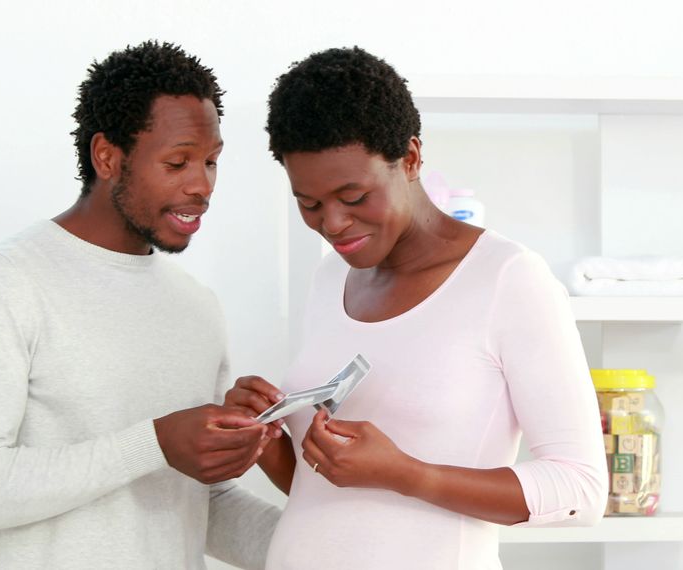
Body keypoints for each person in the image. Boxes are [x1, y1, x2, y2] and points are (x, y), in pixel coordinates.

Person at [224, 47, 608, 569]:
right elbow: (334, 498)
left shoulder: (507, 279)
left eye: (353, 196)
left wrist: (408, 472)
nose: (332, 223)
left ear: (410, 158)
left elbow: (581, 490)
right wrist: (267, 439)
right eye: (309, 203)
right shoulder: (330, 276)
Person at [0, 41, 279, 569]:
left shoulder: (196, 306)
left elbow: (196, 504)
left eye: (211, 162)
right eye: (178, 162)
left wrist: (338, 543)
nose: (201, 186)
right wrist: (155, 442)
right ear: (107, 157)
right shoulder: (5, 280)